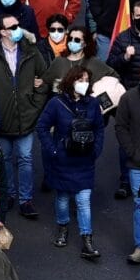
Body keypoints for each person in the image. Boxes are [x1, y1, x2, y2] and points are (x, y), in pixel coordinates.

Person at [37, 68, 104, 261]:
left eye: (86, 79)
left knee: (83, 201)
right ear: (71, 81)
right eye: (79, 79)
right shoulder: (56, 103)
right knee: (63, 198)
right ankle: (63, 227)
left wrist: (96, 150)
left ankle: (87, 239)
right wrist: (54, 150)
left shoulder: (93, 103)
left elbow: (99, 128)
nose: (84, 82)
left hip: (84, 160)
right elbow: (41, 127)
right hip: (63, 159)